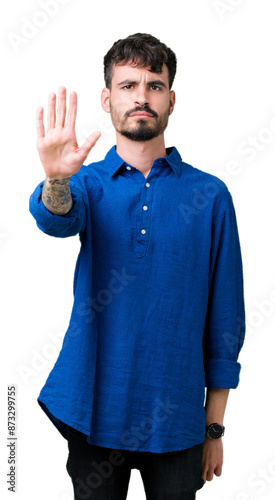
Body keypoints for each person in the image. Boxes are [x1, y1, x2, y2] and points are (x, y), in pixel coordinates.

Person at [29, 33, 246, 500]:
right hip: (91, 412)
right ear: (107, 98)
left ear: (171, 98)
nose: (141, 97)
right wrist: (55, 178)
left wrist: (214, 429)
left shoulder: (210, 196)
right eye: (128, 86)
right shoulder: (85, 183)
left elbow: (225, 319)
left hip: (179, 423)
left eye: (153, 85)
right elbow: (56, 218)